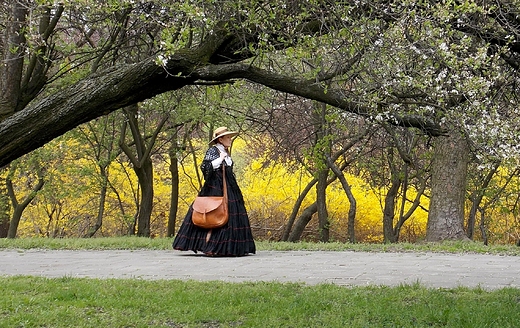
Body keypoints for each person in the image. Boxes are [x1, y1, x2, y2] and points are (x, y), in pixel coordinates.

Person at [172, 126, 256, 256]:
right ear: (220, 139)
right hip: (215, 188)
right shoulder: (213, 151)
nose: (230, 140)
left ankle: (230, 247)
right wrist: (220, 159)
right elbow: (205, 168)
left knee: (231, 214)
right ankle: (211, 245)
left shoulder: (226, 152)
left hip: (229, 188)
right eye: (228, 137)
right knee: (213, 212)